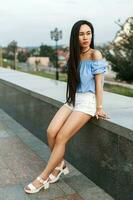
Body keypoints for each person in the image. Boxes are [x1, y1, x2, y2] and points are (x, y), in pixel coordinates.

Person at [24, 19, 108, 194]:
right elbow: (73, 83)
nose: (86, 37)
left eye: (88, 33)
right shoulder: (74, 56)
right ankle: (60, 164)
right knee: (50, 131)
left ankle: (44, 177)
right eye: (81, 34)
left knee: (61, 136)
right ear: (75, 37)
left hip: (88, 101)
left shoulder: (95, 54)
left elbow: (99, 84)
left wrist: (99, 107)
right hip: (74, 99)